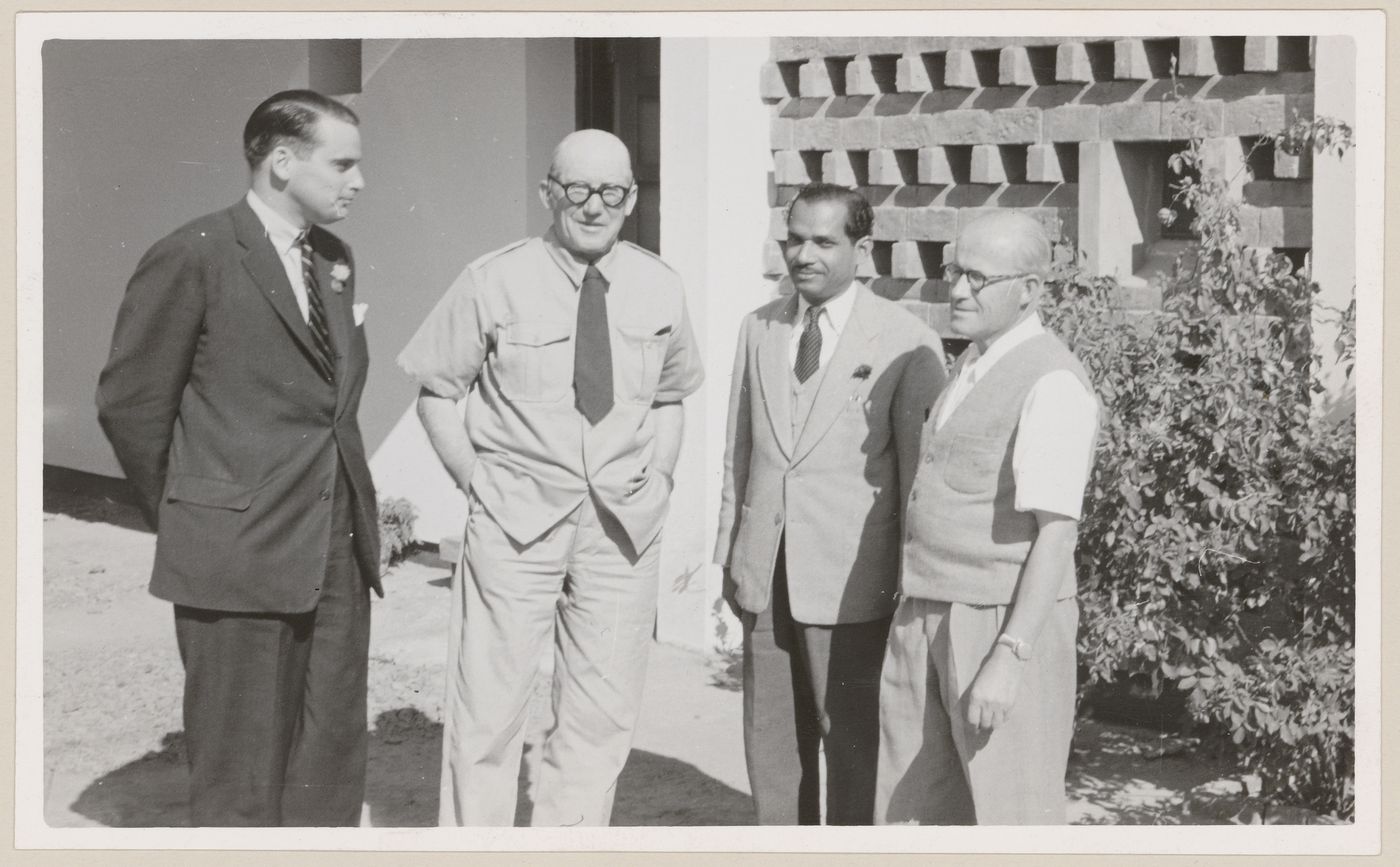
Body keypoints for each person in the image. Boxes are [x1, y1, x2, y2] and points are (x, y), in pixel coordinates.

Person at [398, 128, 704, 827]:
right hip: (515, 522)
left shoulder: (661, 284)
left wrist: (658, 478)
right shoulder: (492, 279)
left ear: (632, 197)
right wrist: (476, 481)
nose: (595, 206)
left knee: (600, 718)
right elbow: (437, 392)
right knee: (488, 714)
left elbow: (669, 397)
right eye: (578, 189)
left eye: (613, 192)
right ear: (549, 192)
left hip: (622, 527)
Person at [96, 90, 379, 826]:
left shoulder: (333, 259)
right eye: (342, 163)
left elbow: (328, 403)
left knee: (328, 759)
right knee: (240, 771)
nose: (357, 181)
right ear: (282, 161)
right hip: (237, 557)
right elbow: (132, 404)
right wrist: (201, 512)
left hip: (335, 549)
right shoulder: (195, 253)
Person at [714, 184, 947, 824]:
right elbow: (741, 452)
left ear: (862, 248)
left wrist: (910, 587)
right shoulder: (758, 329)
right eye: (794, 239)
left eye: (823, 241)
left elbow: (920, 478)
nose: (803, 254)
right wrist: (730, 556)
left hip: (853, 585)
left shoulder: (906, 340)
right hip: (765, 577)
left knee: (853, 749)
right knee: (772, 752)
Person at [875, 211, 1099, 825]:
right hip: (927, 609)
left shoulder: (1051, 382)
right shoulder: (973, 362)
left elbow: (1056, 534)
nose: (957, 289)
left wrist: (1010, 654)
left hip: (998, 621)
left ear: (1030, 289)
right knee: (915, 814)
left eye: (978, 276)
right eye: (954, 270)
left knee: (1010, 816)